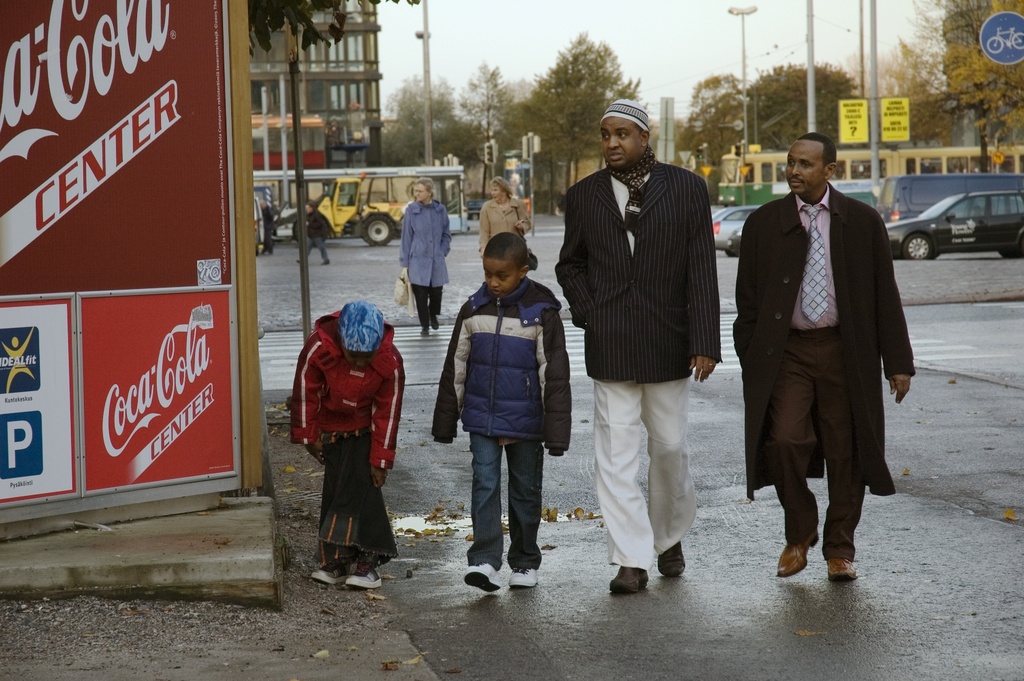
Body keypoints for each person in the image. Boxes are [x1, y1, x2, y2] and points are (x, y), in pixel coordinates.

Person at [555, 99, 721, 594]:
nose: (612, 144)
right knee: (616, 453)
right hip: (611, 343)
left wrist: (705, 341)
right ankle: (630, 557)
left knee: (669, 447)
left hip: (668, 339)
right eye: (605, 135)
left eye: (622, 134)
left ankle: (667, 535)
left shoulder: (687, 188)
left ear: (645, 138)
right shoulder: (583, 196)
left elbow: (701, 270)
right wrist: (591, 310)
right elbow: (570, 265)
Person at [733, 132, 915, 582]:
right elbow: (748, 302)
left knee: (845, 449)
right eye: (790, 163)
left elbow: (884, 296)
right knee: (785, 441)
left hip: (844, 350)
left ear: (830, 170)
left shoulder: (862, 221)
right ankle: (799, 535)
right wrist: (753, 355)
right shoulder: (763, 223)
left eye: (805, 164)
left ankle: (840, 549)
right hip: (787, 352)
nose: (794, 171)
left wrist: (898, 362)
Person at [433, 232, 571, 592]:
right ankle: (484, 560)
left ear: (522, 271)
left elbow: (554, 375)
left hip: (527, 422)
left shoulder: (542, 312)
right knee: (485, 484)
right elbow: (456, 367)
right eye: (488, 275)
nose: (493, 283)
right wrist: (446, 421)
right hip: (482, 417)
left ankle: (524, 561)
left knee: (525, 490)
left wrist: (556, 433)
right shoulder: (472, 309)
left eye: (502, 276)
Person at [290, 300, 405, 590]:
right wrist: (310, 436)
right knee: (335, 488)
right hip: (331, 431)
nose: (360, 364)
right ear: (341, 342)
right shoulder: (319, 349)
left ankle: (367, 557)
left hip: (365, 430)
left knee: (362, 485)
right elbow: (306, 391)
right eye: (353, 356)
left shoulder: (388, 362)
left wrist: (380, 460)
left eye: (367, 357)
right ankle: (338, 558)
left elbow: (388, 412)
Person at [399, 177, 451, 335]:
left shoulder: (440, 210)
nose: (417, 193)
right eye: (416, 191)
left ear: (430, 193)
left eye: (420, 191)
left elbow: (446, 234)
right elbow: (406, 237)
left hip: (436, 259)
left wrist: (443, 250)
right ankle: (425, 325)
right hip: (417, 259)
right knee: (420, 295)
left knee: (436, 293)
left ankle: (433, 314)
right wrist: (405, 262)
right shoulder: (411, 210)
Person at [478, 177, 530, 255]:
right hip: (495, 251)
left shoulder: (518, 205)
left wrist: (521, 226)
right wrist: (483, 248)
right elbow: (484, 232)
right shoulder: (486, 207)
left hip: (515, 250)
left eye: (495, 190)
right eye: (491, 190)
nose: (492, 193)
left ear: (504, 191)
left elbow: (527, 223)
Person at [305, 200, 330, 265]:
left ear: (311, 208)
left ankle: (326, 259)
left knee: (321, 247)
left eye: (308, 208)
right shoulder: (309, 215)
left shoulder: (317, 214)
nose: (307, 210)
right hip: (311, 235)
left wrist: (309, 224)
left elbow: (319, 224)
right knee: (307, 248)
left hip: (317, 235)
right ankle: (303, 260)